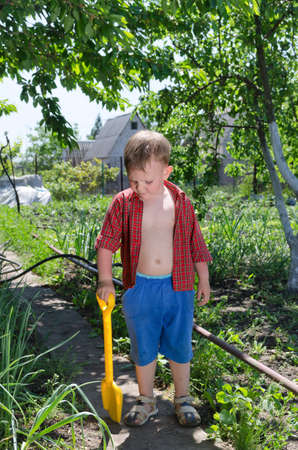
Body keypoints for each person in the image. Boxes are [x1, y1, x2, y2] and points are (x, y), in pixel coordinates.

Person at [96, 130, 212, 427]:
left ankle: (182, 398)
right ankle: (146, 400)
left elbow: (195, 242)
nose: (140, 187)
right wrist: (106, 280)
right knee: (143, 345)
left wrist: (204, 279)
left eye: (147, 181)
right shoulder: (123, 203)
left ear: (166, 171)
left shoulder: (181, 202)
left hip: (179, 287)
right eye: (134, 180)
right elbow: (107, 243)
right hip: (140, 288)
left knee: (180, 344)